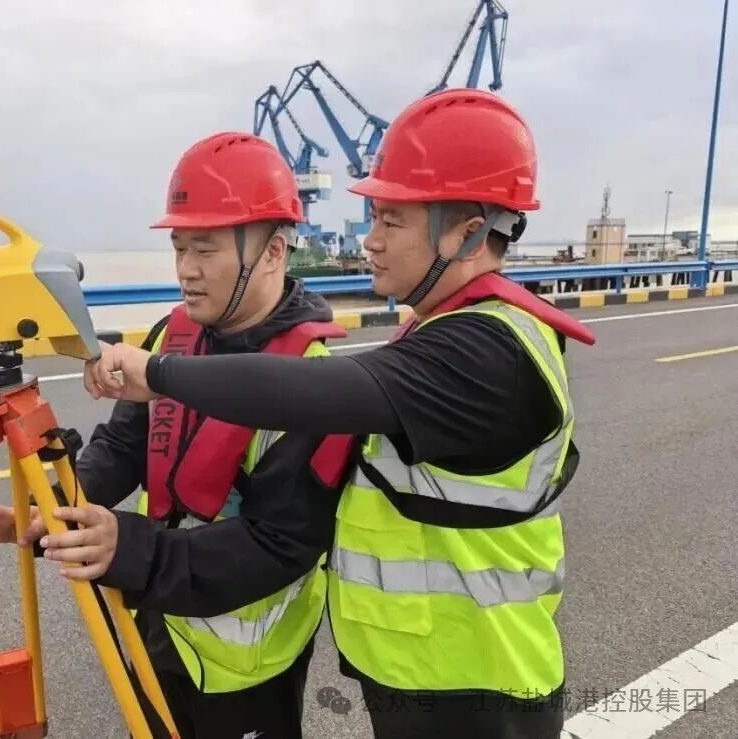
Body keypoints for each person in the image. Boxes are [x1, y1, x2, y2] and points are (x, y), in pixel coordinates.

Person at [85, 89, 597, 738]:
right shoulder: (441, 329)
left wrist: (156, 375)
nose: (370, 241)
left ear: (467, 232)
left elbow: (323, 394)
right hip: (422, 671)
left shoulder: (487, 349)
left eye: (391, 221)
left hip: (480, 681)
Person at [0, 131, 354, 739]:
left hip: (247, 665)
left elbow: (281, 544)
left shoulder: (311, 378)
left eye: (205, 249)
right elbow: (124, 447)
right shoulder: (173, 335)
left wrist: (129, 550)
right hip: (158, 627)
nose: (186, 270)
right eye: (179, 248)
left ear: (274, 252)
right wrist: (49, 510)